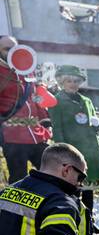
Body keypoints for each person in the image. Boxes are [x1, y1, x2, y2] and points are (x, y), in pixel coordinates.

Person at [48, 65, 99, 225]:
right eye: (69, 80)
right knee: (73, 189)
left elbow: (98, 129)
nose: (73, 84)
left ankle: (89, 223)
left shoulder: (86, 100)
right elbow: (57, 128)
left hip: (90, 151)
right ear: (61, 82)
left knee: (88, 190)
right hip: (72, 151)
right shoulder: (56, 101)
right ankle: (75, 223)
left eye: (76, 81)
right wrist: (62, 154)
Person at [0, 40, 57, 181]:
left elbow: (35, 99)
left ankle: (53, 202)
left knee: (52, 172)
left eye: (15, 47)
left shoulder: (27, 69)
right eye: (7, 49)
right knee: (18, 179)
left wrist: (46, 122)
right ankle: (15, 204)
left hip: (36, 133)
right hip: (12, 136)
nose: (12, 52)